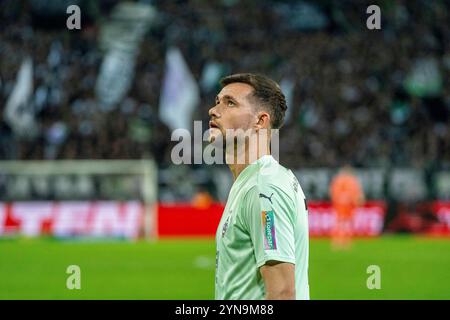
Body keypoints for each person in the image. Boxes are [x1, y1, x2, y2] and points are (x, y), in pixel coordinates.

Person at [208, 73, 309, 300]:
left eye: (230, 103)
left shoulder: (264, 187)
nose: (213, 110)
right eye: (217, 102)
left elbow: (282, 293)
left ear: (260, 121)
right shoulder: (253, 181)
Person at [329, 166, 365, 250]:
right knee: (346, 222)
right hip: (347, 205)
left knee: (340, 222)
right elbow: (357, 194)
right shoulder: (352, 180)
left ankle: (338, 240)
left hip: (340, 205)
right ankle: (344, 240)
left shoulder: (337, 180)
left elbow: (332, 192)